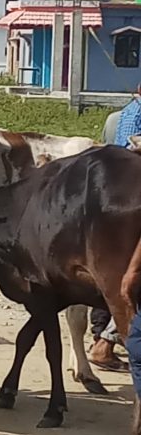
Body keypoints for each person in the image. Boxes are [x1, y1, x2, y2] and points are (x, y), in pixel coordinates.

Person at [89, 86, 141, 369]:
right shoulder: (136, 115)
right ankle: (106, 341)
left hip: (112, 189)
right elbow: (131, 151)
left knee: (107, 272)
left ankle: (102, 337)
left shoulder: (117, 116)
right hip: (130, 190)